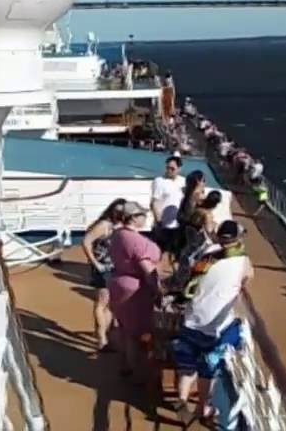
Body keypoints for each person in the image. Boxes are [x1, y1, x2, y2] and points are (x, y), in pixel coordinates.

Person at [171, 220, 253, 425]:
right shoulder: (243, 261)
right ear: (238, 238)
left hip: (191, 317)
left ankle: (182, 399)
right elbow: (248, 280)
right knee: (209, 365)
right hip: (214, 325)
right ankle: (201, 408)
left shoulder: (207, 254)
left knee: (187, 364)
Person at [106, 201, 163, 378]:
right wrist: (158, 290)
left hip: (118, 282)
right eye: (143, 215)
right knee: (136, 333)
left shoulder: (118, 235)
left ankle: (125, 363)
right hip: (135, 288)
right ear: (134, 218)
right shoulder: (135, 240)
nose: (146, 217)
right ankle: (135, 369)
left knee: (123, 327)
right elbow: (146, 268)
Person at [81, 198, 126, 352]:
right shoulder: (104, 225)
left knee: (110, 304)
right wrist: (95, 263)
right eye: (118, 210)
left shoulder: (117, 226)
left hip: (114, 268)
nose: (120, 214)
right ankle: (102, 338)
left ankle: (104, 334)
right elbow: (86, 242)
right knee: (102, 302)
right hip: (103, 268)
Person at [149, 156, 185, 259]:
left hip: (178, 224)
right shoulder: (160, 181)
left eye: (172, 168)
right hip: (164, 225)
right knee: (160, 252)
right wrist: (159, 221)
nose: (169, 170)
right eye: (167, 168)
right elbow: (154, 202)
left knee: (173, 253)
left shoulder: (183, 182)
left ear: (179, 169)